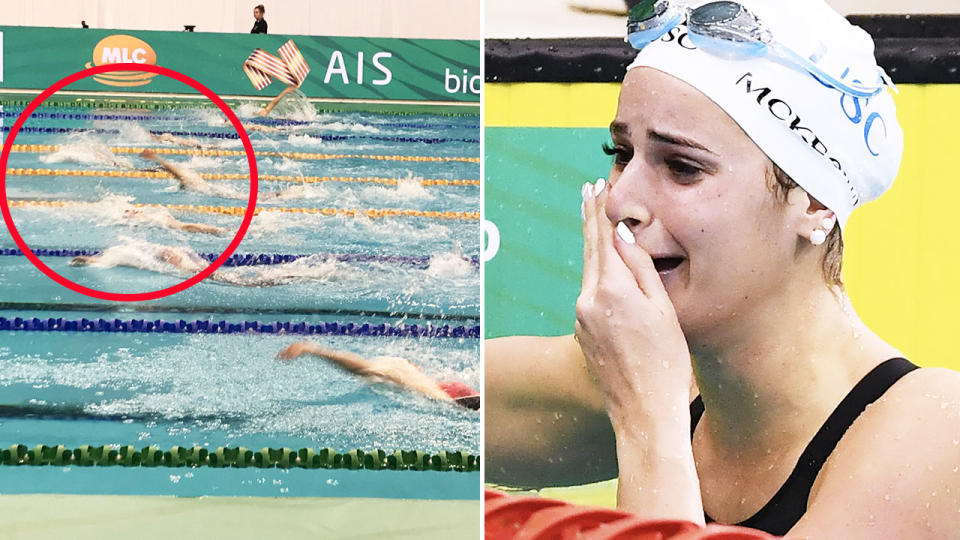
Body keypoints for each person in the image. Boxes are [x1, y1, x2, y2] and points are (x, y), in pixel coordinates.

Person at [486, 0, 960, 537]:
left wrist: (649, 424)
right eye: (620, 152)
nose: (620, 200)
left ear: (814, 205)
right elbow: (415, 400)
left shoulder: (934, 436)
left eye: (682, 167)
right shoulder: (659, 383)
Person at [278, 342, 480, 410]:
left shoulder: (415, 376)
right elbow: (364, 369)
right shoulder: (428, 391)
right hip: (392, 373)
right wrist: (313, 350)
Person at [68, 240, 337, 287]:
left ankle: (302, 275)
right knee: (246, 280)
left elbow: (166, 253)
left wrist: (177, 264)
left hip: (187, 267)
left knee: (247, 283)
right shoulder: (124, 249)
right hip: (186, 263)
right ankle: (302, 274)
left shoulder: (120, 251)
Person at [140, 149, 299, 201]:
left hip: (213, 192)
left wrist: (155, 157)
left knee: (247, 198)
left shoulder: (184, 176)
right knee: (246, 197)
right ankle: (280, 194)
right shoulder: (188, 175)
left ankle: (282, 194)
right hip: (212, 190)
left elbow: (170, 168)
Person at [122, 208, 227, 235]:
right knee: (185, 226)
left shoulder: (138, 217)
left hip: (163, 221)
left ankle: (219, 230)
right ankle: (219, 230)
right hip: (162, 219)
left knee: (185, 227)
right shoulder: (140, 215)